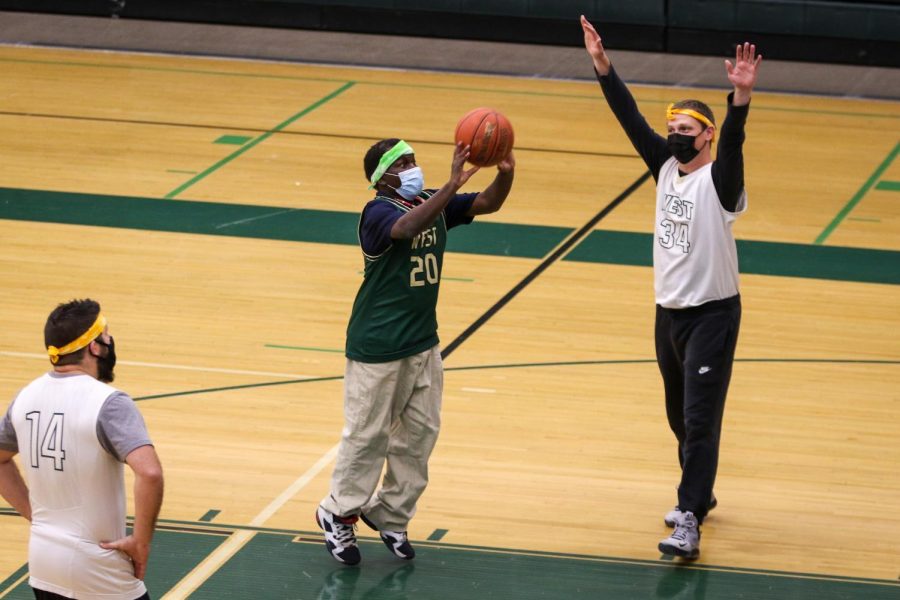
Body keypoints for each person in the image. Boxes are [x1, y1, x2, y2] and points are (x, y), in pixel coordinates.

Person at [581, 16, 762, 559]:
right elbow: (628, 116)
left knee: (700, 419)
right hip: (668, 314)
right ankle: (699, 493)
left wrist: (741, 98)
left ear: (705, 134)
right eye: (674, 130)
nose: (677, 137)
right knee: (678, 417)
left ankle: (688, 518)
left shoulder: (721, 181)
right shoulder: (664, 167)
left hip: (713, 315)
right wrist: (602, 66)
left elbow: (733, 147)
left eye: (688, 131)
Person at [316, 138, 515, 565]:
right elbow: (405, 230)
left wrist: (506, 173)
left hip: (423, 341)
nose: (412, 167)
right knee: (367, 437)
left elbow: (486, 203)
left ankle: (390, 513)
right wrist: (448, 186)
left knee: (420, 435)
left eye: (412, 159)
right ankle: (338, 512)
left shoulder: (430, 200)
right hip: (377, 345)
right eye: (402, 163)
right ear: (381, 177)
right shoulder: (377, 213)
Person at [0, 299, 164, 599]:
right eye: (107, 335)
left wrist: (34, 515)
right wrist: (141, 542)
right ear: (94, 347)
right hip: (98, 568)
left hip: (43, 563)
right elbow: (150, 473)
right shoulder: (110, 402)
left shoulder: (25, 397)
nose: (110, 341)